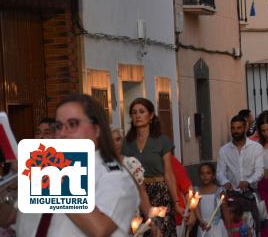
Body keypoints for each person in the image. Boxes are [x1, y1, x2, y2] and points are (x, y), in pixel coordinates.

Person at [16, 93, 139, 237]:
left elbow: (99, 229)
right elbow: (16, 218)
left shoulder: (115, 176)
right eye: (58, 126)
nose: (62, 133)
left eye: (72, 124)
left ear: (97, 129)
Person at [122, 97, 180, 237]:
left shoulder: (162, 140)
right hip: (137, 194)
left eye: (142, 111)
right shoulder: (127, 143)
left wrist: (177, 202)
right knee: (141, 232)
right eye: (134, 112)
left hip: (160, 193)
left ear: (151, 115)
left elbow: (169, 173)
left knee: (161, 231)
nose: (137, 115)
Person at [217, 115, 264, 233]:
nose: (236, 131)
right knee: (233, 230)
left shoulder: (256, 147)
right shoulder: (224, 150)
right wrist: (225, 182)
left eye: (239, 128)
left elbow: (260, 171)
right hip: (232, 196)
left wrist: (248, 181)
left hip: (249, 194)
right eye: (233, 128)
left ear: (245, 128)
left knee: (251, 229)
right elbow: (219, 172)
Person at [111, 127, 152, 217]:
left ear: (122, 141)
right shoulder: (100, 165)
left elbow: (142, 193)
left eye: (118, 139)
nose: (115, 143)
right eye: (111, 140)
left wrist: (151, 222)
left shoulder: (131, 163)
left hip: (132, 218)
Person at [194, 163, 227, 237]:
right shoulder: (197, 191)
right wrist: (200, 221)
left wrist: (229, 229)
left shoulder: (219, 191)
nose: (205, 176)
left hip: (216, 227)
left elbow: (225, 210)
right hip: (203, 226)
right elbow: (196, 207)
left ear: (213, 176)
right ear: (199, 176)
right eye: (202, 174)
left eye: (208, 173)